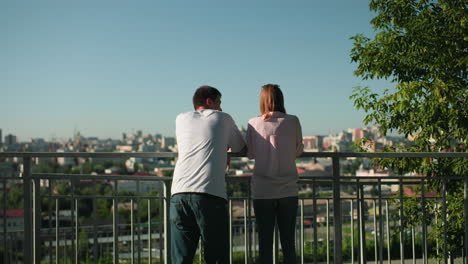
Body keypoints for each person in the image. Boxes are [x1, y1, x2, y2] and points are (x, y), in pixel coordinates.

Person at [170, 85, 246, 264]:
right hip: (209, 194)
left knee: (180, 258)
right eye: (219, 102)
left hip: (178, 193)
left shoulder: (181, 118)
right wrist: (225, 149)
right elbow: (241, 148)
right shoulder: (223, 118)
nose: (220, 107)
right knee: (216, 256)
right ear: (209, 101)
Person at [246, 84, 303, 264]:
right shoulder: (293, 121)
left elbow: (251, 153)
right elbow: (298, 150)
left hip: (262, 190)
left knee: (265, 241)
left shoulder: (253, 123)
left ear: (262, 101)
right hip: (288, 188)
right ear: (281, 99)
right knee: (288, 242)